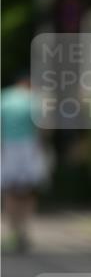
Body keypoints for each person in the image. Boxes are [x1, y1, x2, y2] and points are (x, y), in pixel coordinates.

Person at [1, 74, 50, 252]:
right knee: (29, 191)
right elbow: (43, 126)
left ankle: (13, 229)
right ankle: (24, 228)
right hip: (29, 147)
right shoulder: (34, 99)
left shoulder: (4, 98)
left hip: (8, 147)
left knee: (10, 190)